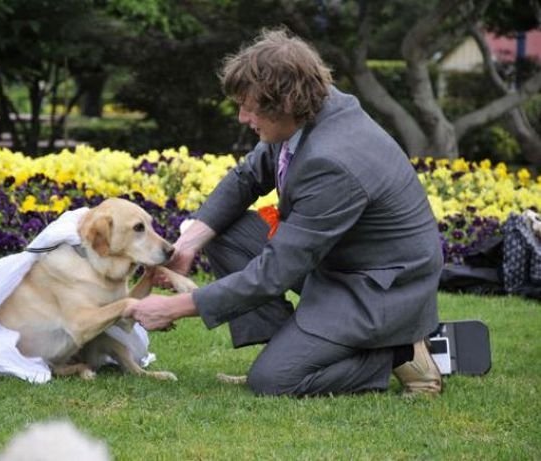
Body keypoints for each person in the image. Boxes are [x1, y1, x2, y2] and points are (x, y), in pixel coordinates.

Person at [125, 28, 444, 397]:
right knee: (221, 231)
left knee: (274, 381)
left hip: (377, 287)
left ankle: (395, 350)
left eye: (250, 107)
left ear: (286, 103)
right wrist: (188, 245)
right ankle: (290, 348)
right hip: (340, 261)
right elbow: (248, 176)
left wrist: (176, 307)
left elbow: (275, 273)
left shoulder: (333, 162)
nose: (243, 117)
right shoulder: (315, 112)